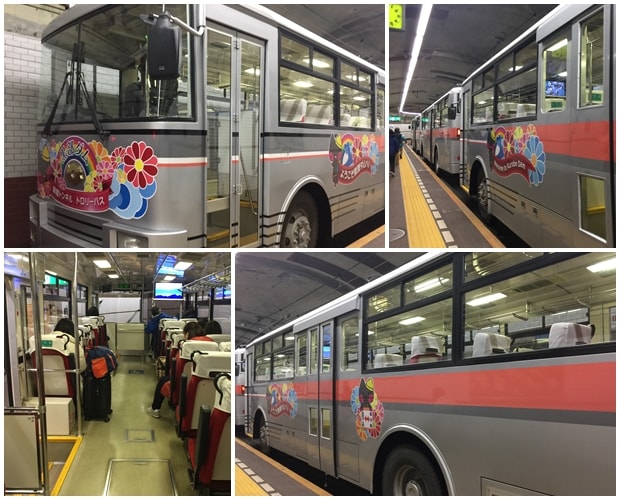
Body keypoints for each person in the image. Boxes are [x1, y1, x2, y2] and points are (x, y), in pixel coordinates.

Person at [146, 321, 201, 418]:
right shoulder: (213, 350)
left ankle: (155, 409)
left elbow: (173, 372)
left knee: (163, 380)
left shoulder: (183, 350)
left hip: (180, 386)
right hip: (198, 388)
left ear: (187, 334)